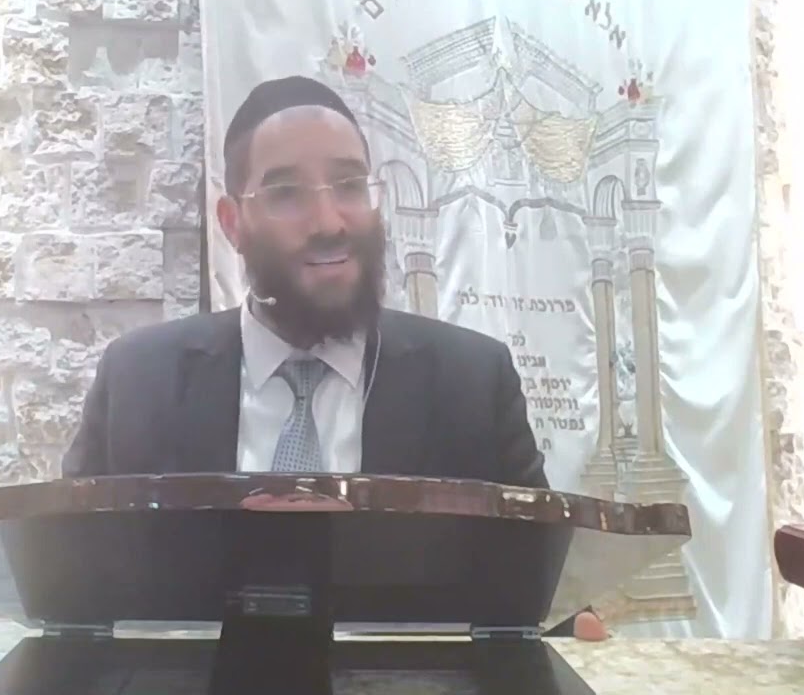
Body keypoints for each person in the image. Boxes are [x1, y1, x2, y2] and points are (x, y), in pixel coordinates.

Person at [62, 75, 605, 641]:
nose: (328, 223)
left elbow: (539, 595)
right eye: (285, 193)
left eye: (349, 185)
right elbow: (68, 593)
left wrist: (575, 626)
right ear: (232, 223)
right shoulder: (138, 381)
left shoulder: (472, 383)